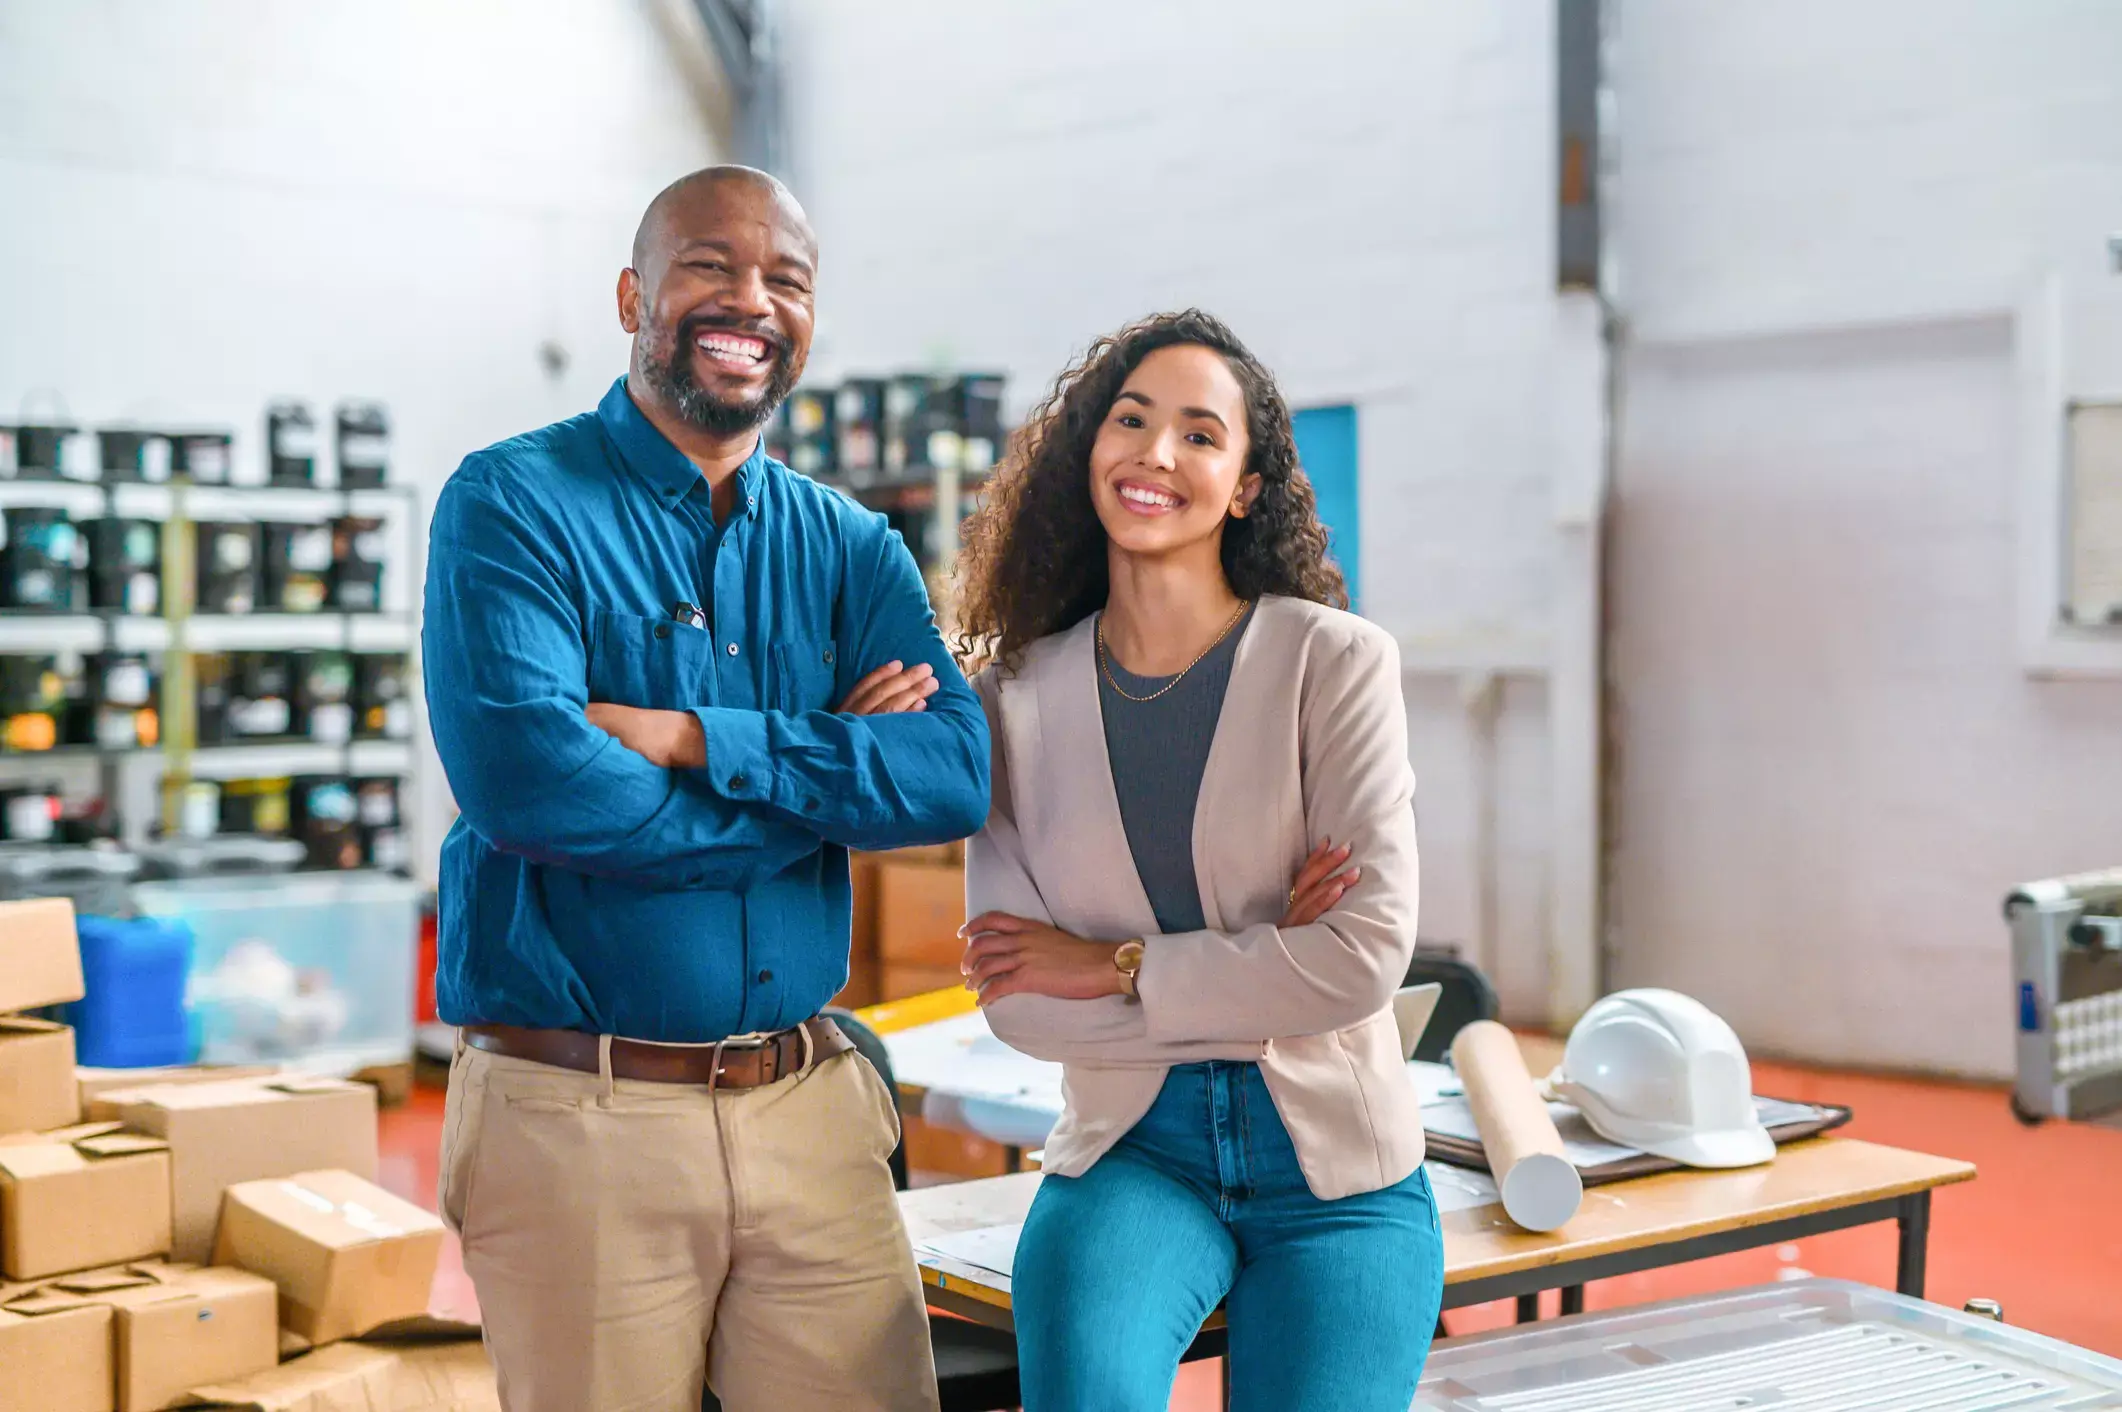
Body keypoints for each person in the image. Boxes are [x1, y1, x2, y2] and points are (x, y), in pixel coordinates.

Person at [422, 165, 987, 1412]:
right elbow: (532, 786)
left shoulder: (847, 546)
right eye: (709, 266)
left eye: (785, 279)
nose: (750, 301)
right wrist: (821, 772)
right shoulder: (512, 504)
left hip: (810, 1117)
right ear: (635, 293)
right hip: (580, 1115)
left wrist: (692, 737)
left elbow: (951, 773)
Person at [953, 309, 1442, 1411]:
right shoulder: (1012, 699)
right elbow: (1023, 1005)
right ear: (1088, 450)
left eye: (1199, 433)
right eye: (1129, 419)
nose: (1156, 454)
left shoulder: (1335, 663)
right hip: (1133, 1150)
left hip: (1341, 1172)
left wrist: (1115, 963)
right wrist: (1270, 960)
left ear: (1246, 487)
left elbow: (1362, 958)